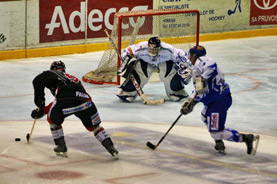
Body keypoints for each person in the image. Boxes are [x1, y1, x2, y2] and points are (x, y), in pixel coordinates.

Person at [180, 45, 259, 155]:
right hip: (214, 100)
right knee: (204, 117)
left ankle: (245, 138)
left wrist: (203, 78)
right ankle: (218, 140)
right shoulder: (196, 70)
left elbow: (211, 65)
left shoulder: (202, 61)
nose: (189, 59)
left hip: (219, 100)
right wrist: (190, 102)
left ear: (195, 55)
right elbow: (198, 90)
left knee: (215, 130)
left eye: (190, 56)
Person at [31, 61, 118, 157]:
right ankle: (110, 147)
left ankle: (61, 147)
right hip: (86, 103)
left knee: (53, 120)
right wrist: (44, 110)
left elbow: (37, 81)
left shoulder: (51, 74)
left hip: (65, 101)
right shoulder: (73, 79)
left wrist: (40, 103)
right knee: (94, 126)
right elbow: (72, 98)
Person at [117, 37, 192, 103]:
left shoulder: (167, 49)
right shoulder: (142, 47)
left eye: (155, 49)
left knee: (166, 69)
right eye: (150, 49)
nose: (152, 51)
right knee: (141, 69)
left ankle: (176, 91)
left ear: (159, 47)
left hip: (163, 63)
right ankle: (127, 92)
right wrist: (125, 61)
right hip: (146, 63)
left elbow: (181, 54)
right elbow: (128, 50)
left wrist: (185, 65)